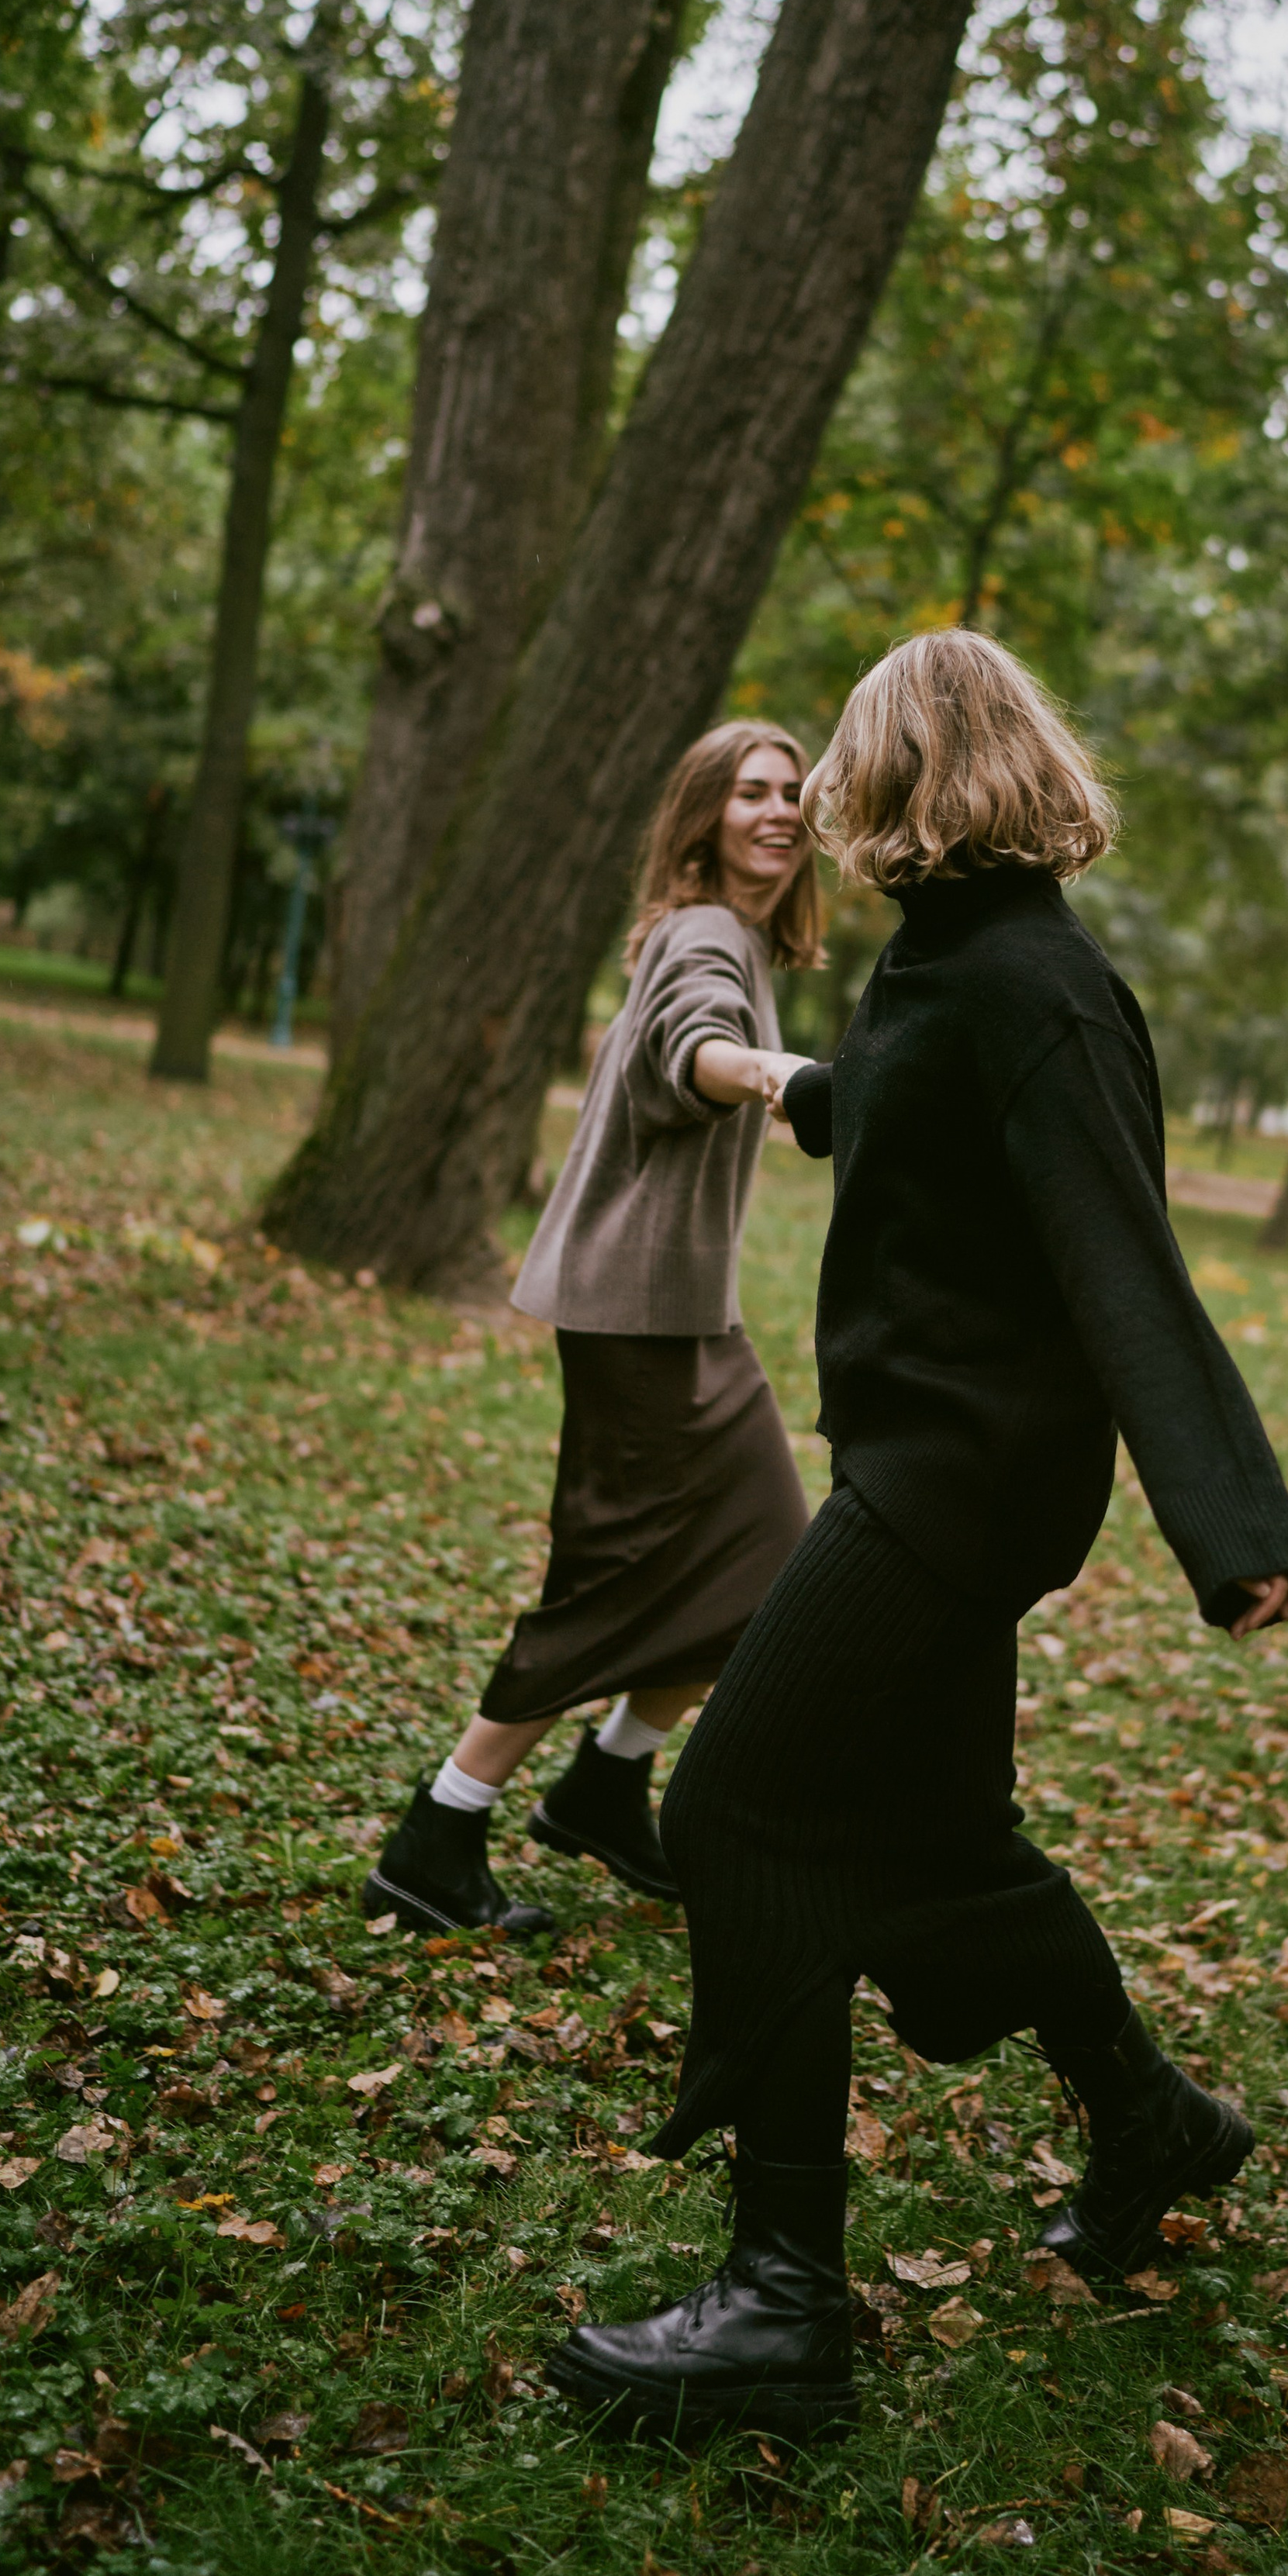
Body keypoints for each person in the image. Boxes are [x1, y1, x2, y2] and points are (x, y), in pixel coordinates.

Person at [547, 632, 1288, 2441]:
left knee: (735, 1808)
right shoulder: (952, 962)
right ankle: (1150, 2118)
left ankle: (781, 2307)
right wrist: (790, 1085)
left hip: (955, 1489)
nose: (812, 797)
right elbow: (888, 1097)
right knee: (940, 1841)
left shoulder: (1030, 989)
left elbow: (1117, 1250)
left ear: (919, 775)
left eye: (844, 766)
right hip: (931, 1460)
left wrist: (1230, 1521)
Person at [362, 723, 821, 1939]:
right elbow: (697, 1047)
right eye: (751, 794)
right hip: (641, 1322)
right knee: (618, 1580)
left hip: (674, 1315)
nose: (778, 812)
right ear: (703, 817)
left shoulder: (734, 935)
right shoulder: (708, 937)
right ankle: (441, 1829)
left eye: (792, 794)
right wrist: (772, 1074)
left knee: (765, 1563)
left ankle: (607, 1783)